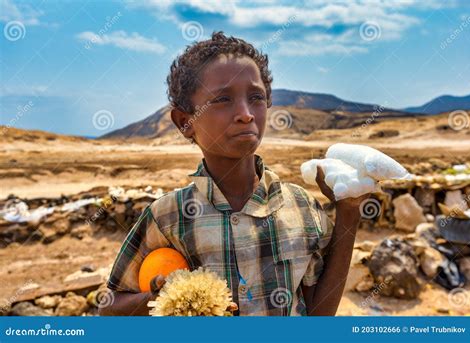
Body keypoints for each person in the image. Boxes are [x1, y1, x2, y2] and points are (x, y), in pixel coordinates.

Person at [99, 31, 367, 316]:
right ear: (185, 121)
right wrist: (160, 297)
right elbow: (109, 309)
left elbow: (319, 315)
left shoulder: (301, 207)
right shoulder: (167, 217)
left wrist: (349, 212)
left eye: (256, 97)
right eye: (223, 99)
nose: (245, 113)